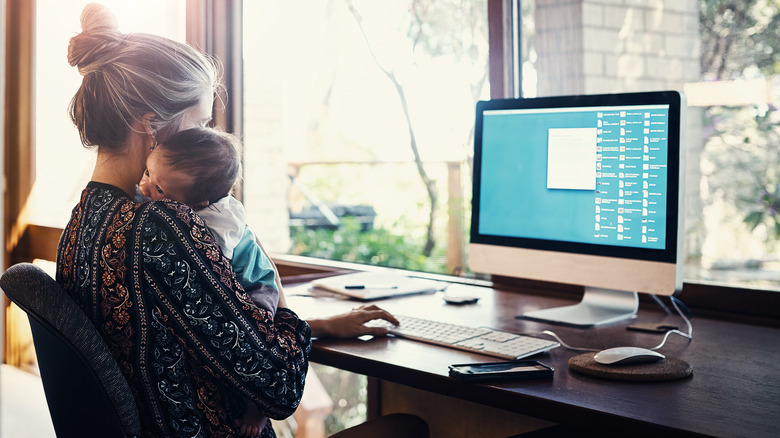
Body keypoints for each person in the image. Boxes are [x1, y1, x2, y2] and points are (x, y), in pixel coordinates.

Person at [56, 4, 426, 438]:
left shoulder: (82, 223)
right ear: (152, 126)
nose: (205, 143)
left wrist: (319, 327)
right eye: (199, 125)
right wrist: (269, 274)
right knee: (408, 428)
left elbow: (192, 333)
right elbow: (280, 389)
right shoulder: (162, 227)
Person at [136, 126, 281, 436]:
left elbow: (212, 264)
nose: (145, 186)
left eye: (159, 190)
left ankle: (258, 409)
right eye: (148, 172)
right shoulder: (180, 198)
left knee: (257, 340)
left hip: (256, 284)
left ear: (198, 202)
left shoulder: (218, 224)